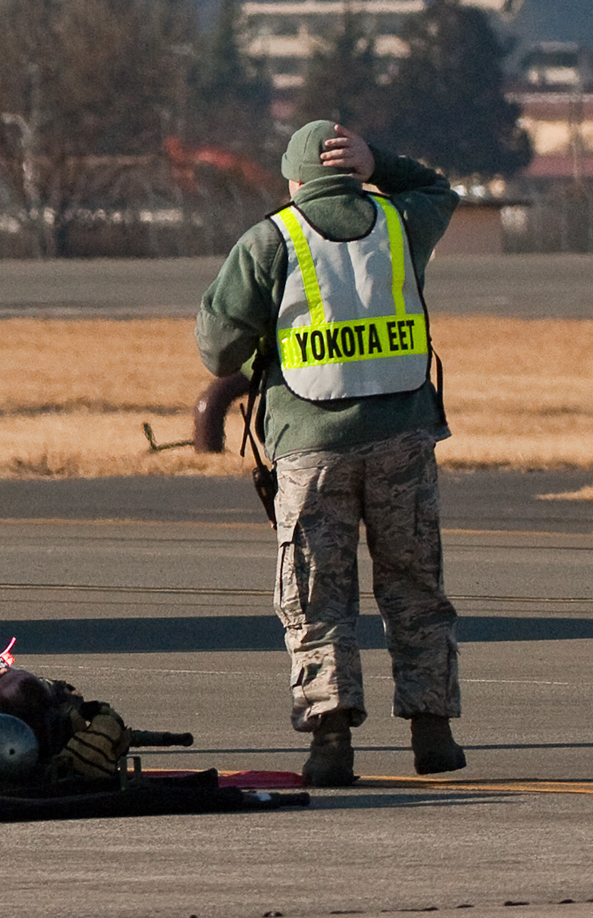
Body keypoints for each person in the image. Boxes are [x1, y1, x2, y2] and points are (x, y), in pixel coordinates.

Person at [197, 118, 464, 788]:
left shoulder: (271, 238)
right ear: (352, 171)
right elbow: (440, 189)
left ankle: (331, 739)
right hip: (404, 435)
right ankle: (433, 733)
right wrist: (383, 162)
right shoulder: (400, 220)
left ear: (294, 179)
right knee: (415, 585)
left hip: (313, 445)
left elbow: (217, 349)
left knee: (317, 597)